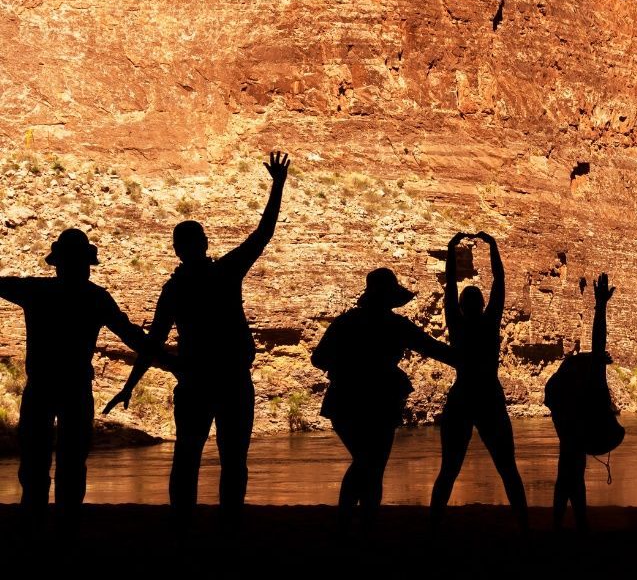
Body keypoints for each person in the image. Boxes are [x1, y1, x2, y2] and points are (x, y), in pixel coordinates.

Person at [105, 151, 290, 532]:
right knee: (234, 458)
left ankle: (182, 526)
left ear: (178, 249)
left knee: (187, 455)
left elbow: (153, 342)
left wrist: (130, 386)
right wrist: (277, 185)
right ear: (205, 244)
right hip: (233, 381)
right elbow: (263, 233)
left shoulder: (174, 289)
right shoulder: (225, 272)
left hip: (194, 383)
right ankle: (230, 526)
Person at [0, 228, 151, 530]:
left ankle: (34, 526)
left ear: (57, 263)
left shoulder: (35, 292)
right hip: (76, 390)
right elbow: (133, 336)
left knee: (34, 463)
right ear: (86, 263)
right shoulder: (96, 298)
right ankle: (66, 528)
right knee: (71, 464)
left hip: (40, 389)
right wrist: (171, 360)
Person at [311, 267, 457, 532]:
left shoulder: (345, 322)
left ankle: (349, 522)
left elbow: (318, 359)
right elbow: (435, 349)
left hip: (344, 402)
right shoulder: (396, 326)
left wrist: (348, 365)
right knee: (372, 464)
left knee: (365, 462)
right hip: (382, 402)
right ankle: (363, 523)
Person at [429, 231, 528, 531]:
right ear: (483, 305)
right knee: (507, 467)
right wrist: (493, 247)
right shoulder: (489, 322)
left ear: (461, 306)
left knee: (449, 469)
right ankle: (523, 525)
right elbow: (500, 283)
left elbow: (449, 291)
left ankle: (433, 526)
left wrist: (450, 249)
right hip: (489, 396)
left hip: (462, 397)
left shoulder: (457, 324)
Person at [544, 273, 623, 533]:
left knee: (570, 473)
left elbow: (598, 344)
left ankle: (571, 523)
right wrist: (601, 306)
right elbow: (599, 339)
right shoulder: (592, 379)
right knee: (571, 473)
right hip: (571, 417)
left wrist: (600, 306)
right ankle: (571, 525)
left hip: (568, 416)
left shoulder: (580, 376)